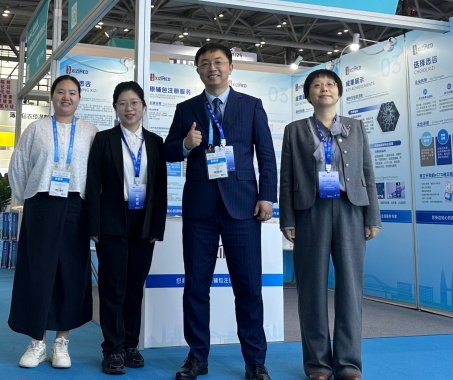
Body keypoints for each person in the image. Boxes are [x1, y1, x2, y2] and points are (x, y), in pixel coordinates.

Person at [164, 43, 277, 380]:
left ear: (230, 67)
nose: (212, 68)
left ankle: (255, 361)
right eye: (204, 63)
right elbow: (168, 151)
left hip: (242, 206)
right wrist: (186, 145)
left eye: (218, 62)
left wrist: (267, 197)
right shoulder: (186, 108)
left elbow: (266, 156)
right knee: (196, 287)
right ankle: (197, 357)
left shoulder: (251, 105)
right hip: (200, 209)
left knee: (248, 287)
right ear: (197, 69)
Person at [279, 69, 381, 380]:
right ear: (308, 95)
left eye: (330, 84)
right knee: (311, 289)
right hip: (311, 211)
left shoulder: (355, 127)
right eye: (317, 85)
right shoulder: (295, 130)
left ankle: (348, 364)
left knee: (350, 288)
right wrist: (287, 219)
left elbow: (368, 172)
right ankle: (317, 365)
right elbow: (287, 178)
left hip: (351, 210)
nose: (324, 88)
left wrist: (372, 216)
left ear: (338, 92)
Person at [8, 74, 98, 369]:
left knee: (69, 272)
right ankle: (37, 342)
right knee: (37, 272)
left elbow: (96, 174)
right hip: (42, 204)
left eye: (72, 92)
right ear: (52, 96)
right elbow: (19, 165)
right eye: (61, 91)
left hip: (76, 205)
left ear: (79, 98)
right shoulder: (36, 129)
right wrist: (29, 197)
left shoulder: (89, 131)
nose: (66, 97)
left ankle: (61, 341)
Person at [86, 81, 168, 375]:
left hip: (143, 222)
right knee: (112, 288)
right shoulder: (104, 139)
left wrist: (157, 227)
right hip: (112, 221)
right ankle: (112, 349)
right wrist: (93, 225)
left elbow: (160, 188)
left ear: (143, 106)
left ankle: (131, 345)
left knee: (134, 287)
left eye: (134, 102)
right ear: (115, 108)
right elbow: (93, 183)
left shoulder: (155, 142)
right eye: (122, 103)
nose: (129, 108)